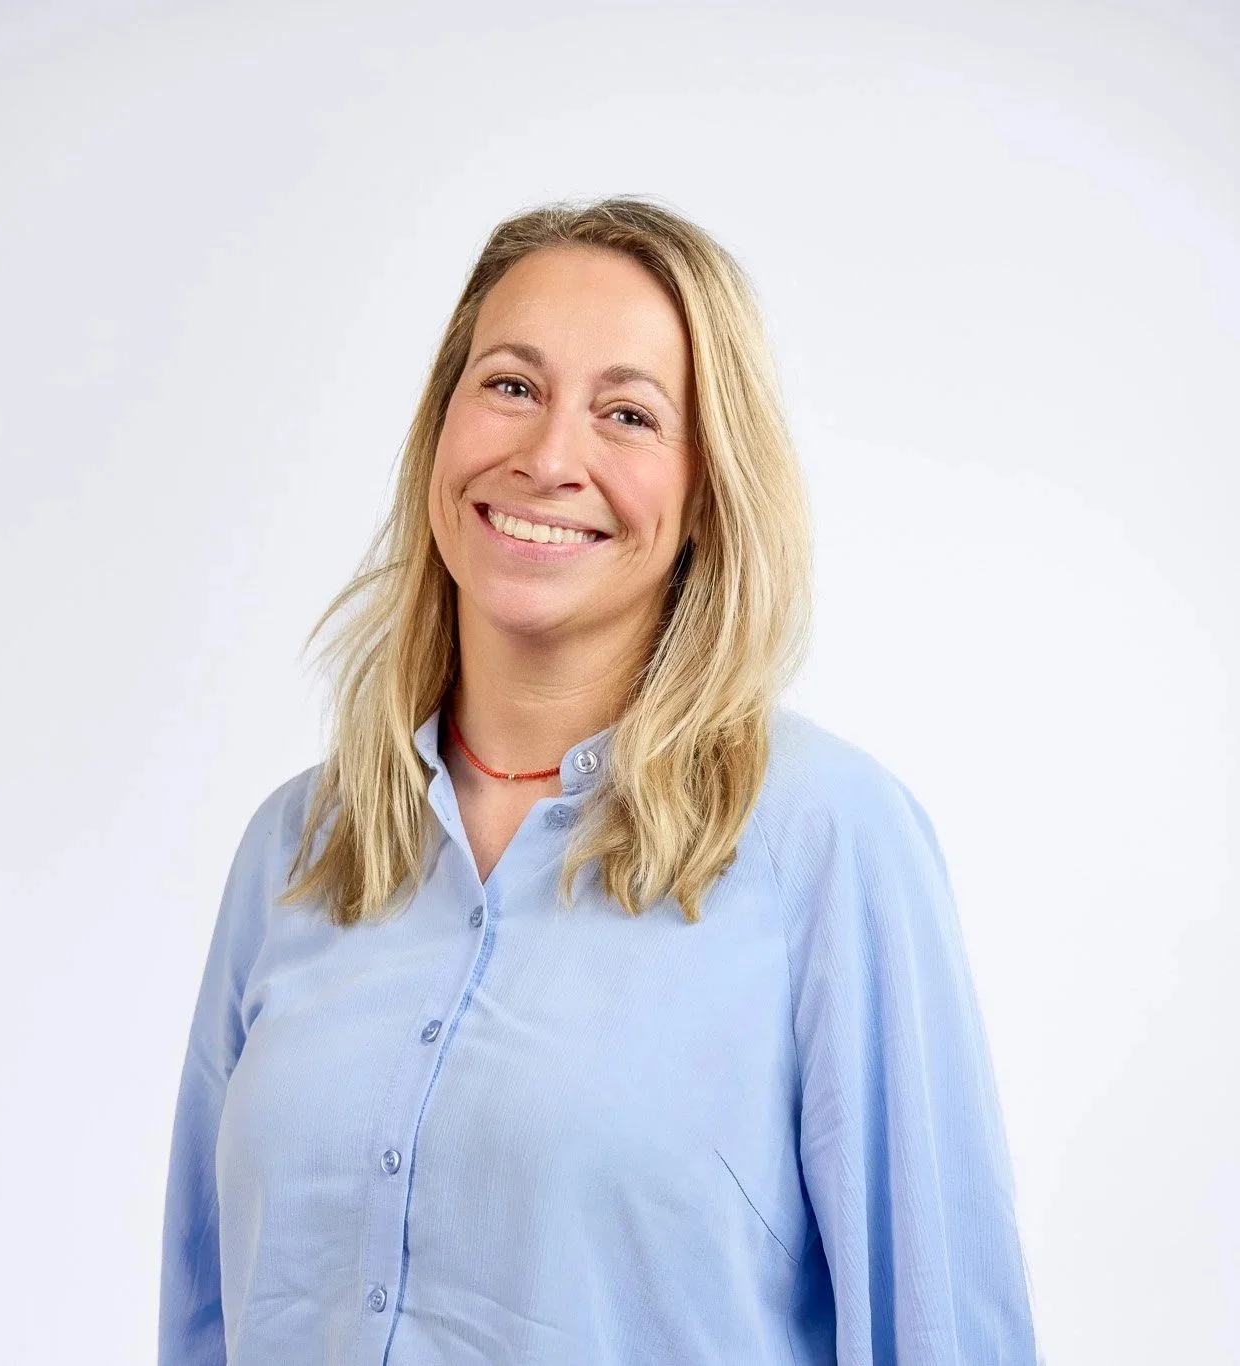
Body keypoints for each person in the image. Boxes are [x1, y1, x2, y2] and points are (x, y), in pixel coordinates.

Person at [157, 196, 1042, 1365]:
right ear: (440, 427)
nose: (549, 455)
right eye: (511, 386)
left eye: (627, 413)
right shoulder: (296, 847)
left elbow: (942, 1333)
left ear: (706, 490)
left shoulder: (828, 842)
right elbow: (206, 1319)